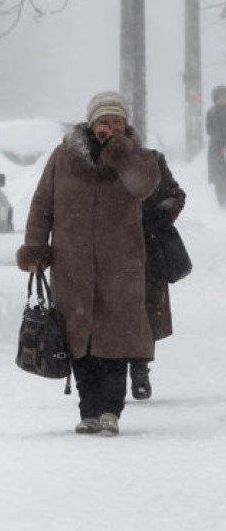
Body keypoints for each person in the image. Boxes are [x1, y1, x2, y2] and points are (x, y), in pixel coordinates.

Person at [16, 90, 160, 436]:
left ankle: (111, 410)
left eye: (116, 121)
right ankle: (88, 411)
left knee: (115, 339)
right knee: (79, 341)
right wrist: (35, 248)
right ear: (91, 123)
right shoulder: (64, 156)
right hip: (72, 264)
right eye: (103, 121)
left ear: (125, 125)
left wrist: (120, 155)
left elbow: (144, 187)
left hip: (120, 266)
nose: (108, 127)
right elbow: (42, 205)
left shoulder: (139, 158)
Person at [130, 152, 186, 400]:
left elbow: (176, 196)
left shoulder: (150, 159)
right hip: (110, 249)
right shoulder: (96, 162)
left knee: (146, 309)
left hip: (148, 250)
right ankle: (114, 372)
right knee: (112, 311)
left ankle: (140, 370)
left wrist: (156, 217)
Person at [206, 85, 226, 207]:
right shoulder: (211, 113)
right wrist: (220, 140)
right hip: (216, 149)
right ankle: (221, 203)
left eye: (224, 96)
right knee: (219, 178)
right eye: (219, 97)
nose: (222, 99)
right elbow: (209, 130)